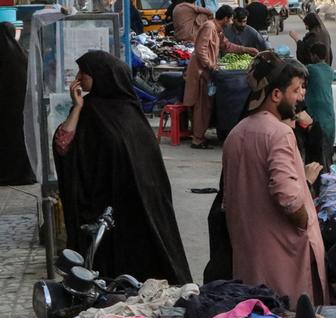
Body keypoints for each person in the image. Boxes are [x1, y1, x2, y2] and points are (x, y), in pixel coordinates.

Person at [52, 51, 192, 285]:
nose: (78, 77)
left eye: (83, 73)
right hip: (105, 204)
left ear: (101, 76)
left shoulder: (130, 112)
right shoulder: (90, 111)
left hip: (137, 205)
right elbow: (63, 145)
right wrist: (76, 107)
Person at [222, 52, 328, 306]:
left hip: (250, 256)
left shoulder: (236, 133)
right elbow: (287, 196)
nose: (300, 97)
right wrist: (304, 222)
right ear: (276, 95)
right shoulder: (279, 133)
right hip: (285, 256)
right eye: (295, 90)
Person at [183, 5, 258, 149]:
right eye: (230, 19)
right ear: (226, 18)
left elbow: (227, 46)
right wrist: (211, 66)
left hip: (207, 73)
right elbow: (201, 50)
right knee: (202, 106)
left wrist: (246, 50)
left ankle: (199, 136)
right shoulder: (209, 27)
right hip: (200, 73)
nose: (231, 23)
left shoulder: (218, 30)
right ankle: (197, 140)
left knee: (207, 105)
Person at [0, 22, 36, 186]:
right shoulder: (22, 56)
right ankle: (23, 174)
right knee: (20, 141)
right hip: (21, 111)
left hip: (4, 112)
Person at [304, 43, 336, 169]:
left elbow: (299, 70)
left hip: (316, 114)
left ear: (315, 56)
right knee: (328, 147)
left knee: (317, 149)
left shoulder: (310, 68)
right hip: (329, 114)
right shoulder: (329, 69)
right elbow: (335, 76)